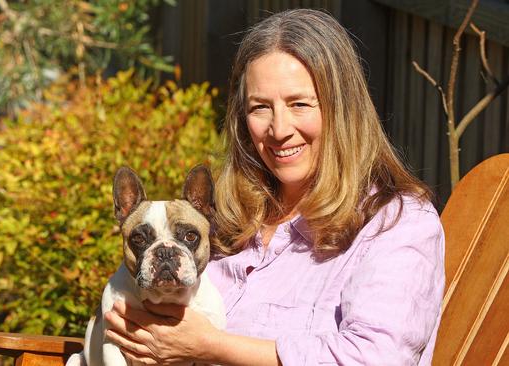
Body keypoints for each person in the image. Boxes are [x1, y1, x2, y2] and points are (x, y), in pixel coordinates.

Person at [104, 8, 445, 365]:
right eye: (260, 107)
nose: (279, 129)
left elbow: (377, 358)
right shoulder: (229, 215)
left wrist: (211, 346)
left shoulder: (397, 224)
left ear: (342, 109)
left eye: (300, 104)